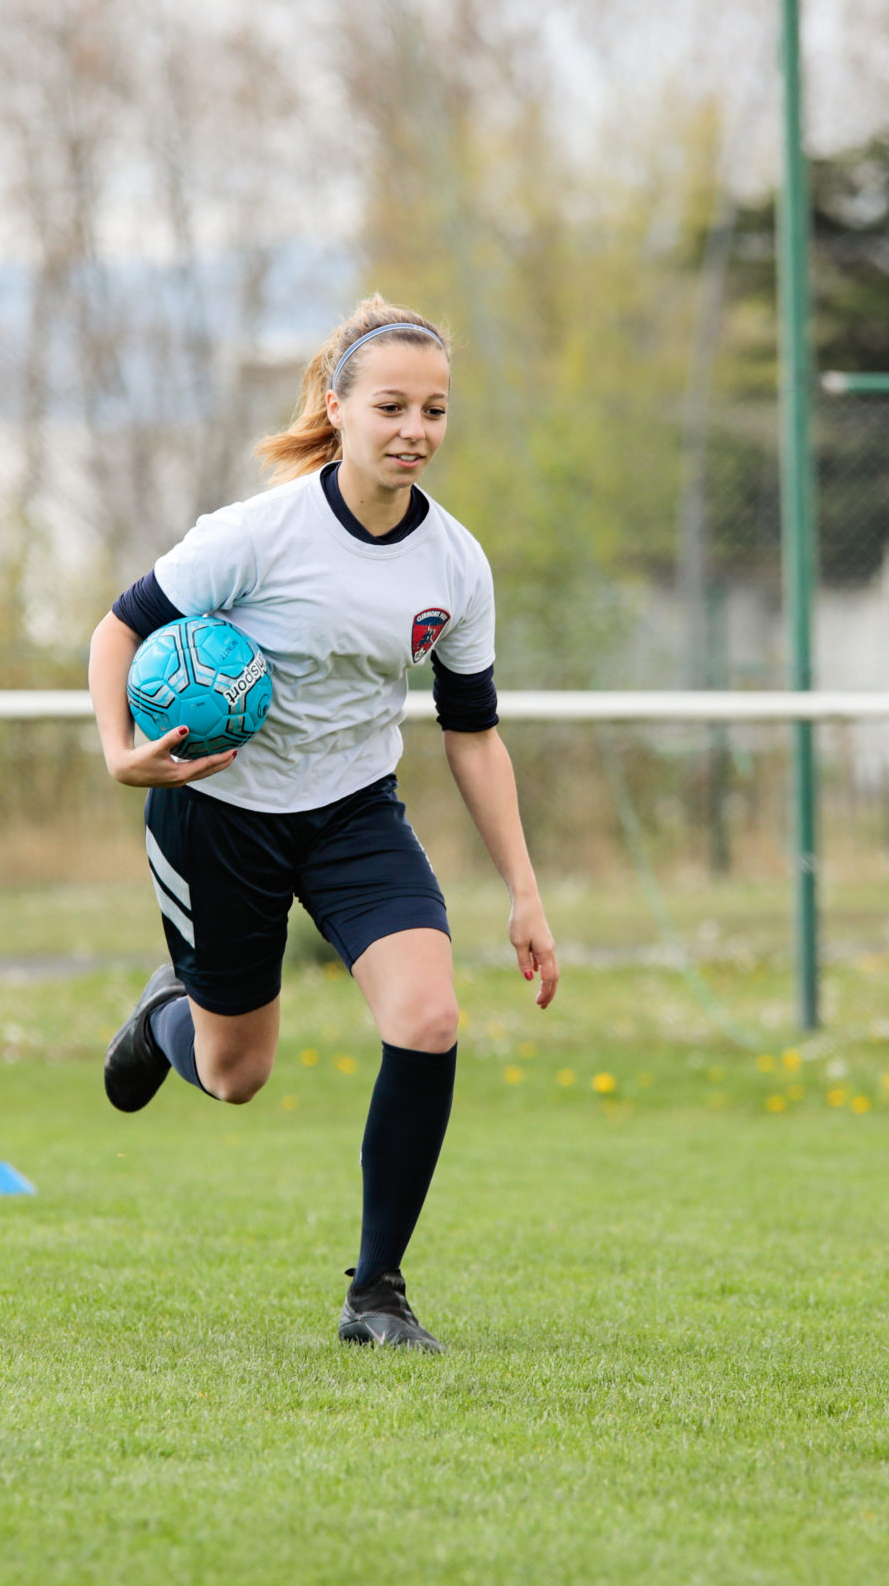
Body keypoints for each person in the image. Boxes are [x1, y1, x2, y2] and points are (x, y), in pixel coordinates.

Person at [87, 295, 560, 1351]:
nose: (415, 430)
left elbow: (473, 734)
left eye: (434, 410)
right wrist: (123, 750)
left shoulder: (456, 565)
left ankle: (376, 1293)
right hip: (220, 813)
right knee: (235, 1075)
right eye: (391, 406)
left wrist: (525, 893)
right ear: (337, 409)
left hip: (353, 814)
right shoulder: (255, 536)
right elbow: (118, 631)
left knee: (428, 1018)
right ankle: (166, 1016)